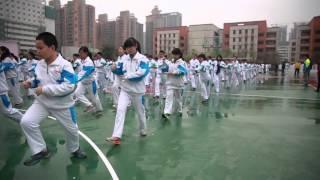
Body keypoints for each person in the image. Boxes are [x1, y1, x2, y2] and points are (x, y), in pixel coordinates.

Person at [20, 32, 86, 166]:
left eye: (40, 48)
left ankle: (75, 149)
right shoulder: (40, 64)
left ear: (52, 47)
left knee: (72, 130)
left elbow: (69, 86)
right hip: (42, 102)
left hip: (62, 105)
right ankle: (40, 150)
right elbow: (39, 79)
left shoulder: (65, 65)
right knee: (27, 122)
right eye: (36, 48)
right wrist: (31, 82)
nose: (37, 52)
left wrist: (44, 89)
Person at [106, 37, 149, 145]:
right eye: (127, 47)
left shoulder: (143, 59)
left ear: (136, 46)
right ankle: (116, 136)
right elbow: (119, 70)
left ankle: (143, 128)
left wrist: (127, 76)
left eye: (131, 46)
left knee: (140, 112)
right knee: (120, 110)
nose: (129, 49)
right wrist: (114, 68)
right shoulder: (124, 59)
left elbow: (141, 73)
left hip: (137, 91)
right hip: (125, 90)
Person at [75, 46, 103, 116]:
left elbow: (84, 73)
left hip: (90, 83)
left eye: (81, 53)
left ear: (86, 53)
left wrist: (74, 80)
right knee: (77, 93)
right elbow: (78, 70)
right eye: (79, 53)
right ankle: (89, 105)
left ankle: (99, 110)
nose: (80, 55)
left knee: (94, 98)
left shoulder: (89, 62)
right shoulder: (80, 61)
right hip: (83, 82)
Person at [162, 48, 187, 119]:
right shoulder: (171, 62)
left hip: (179, 84)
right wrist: (163, 67)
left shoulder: (182, 62)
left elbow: (183, 71)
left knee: (178, 99)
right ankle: (167, 112)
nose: (174, 56)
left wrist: (173, 73)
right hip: (170, 83)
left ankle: (180, 110)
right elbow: (166, 69)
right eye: (173, 54)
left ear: (179, 55)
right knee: (168, 98)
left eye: (175, 54)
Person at [0, 53, 23, 123]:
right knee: (15, 91)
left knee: (7, 110)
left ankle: (25, 120)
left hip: (3, 89)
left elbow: (11, 66)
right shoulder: (5, 61)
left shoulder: (7, 60)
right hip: (9, 79)